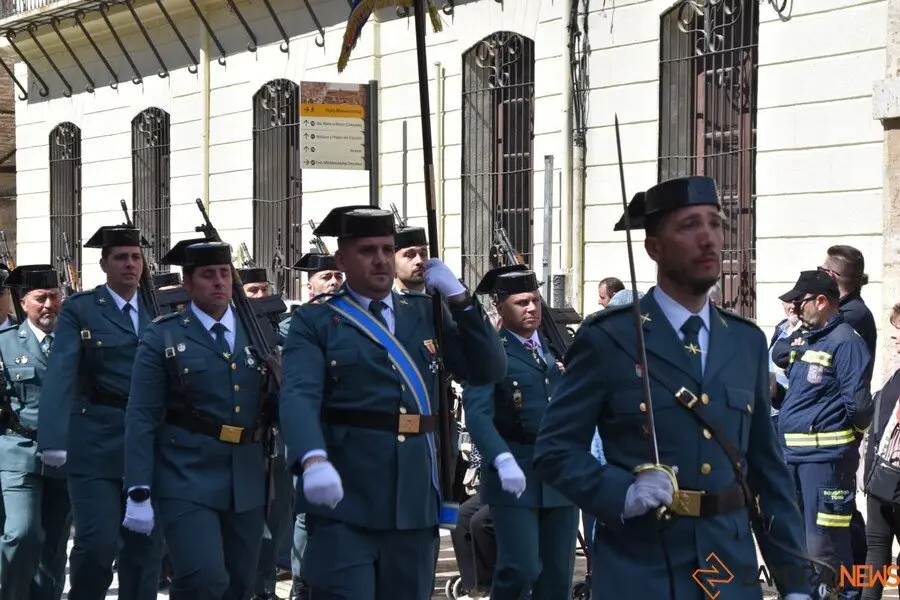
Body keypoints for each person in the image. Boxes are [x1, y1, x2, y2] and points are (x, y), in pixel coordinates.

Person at [533, 175, 813, 599]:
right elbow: (555, 451)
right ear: (654, 248)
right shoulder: (609, 339)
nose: (708, 239)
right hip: (642, 569)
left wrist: (795, 582)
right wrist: (620, 492)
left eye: (715, 224)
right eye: (689, 226)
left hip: (728, 570)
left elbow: (767, 472)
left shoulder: (746, 341)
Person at [278, 206, 507, 600]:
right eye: (368, 250)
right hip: (345, 498)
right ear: (342, 260)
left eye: (387, 248)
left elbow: (487, 370)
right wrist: (312, 458)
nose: (381, 259)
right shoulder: (315, 322)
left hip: (413, 501)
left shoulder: (424, 313)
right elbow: (298, 395)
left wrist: (461, 301)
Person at [123, 240, 275, 600]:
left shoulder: (261, 331)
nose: (219, 282)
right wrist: (138, 488)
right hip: (186, 474)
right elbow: (142, 415)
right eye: (208, 275)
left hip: (248, 475)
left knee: (239, 584)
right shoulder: (164, 334)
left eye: (225, 274)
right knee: (203, 579)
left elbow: (283, 399)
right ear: (188, 284)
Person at [37, 225, 163, 600]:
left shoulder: (161, 307)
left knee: (145, 549)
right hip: (95, 440)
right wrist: (53, 438)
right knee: (97, 543)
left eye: (136, 257)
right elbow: (61, 373)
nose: (130, 264)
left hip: (150, 442)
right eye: (121, 258)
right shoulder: (82, 308)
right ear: (104, 263)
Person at [462, 264, 577, 600]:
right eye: (521, 302)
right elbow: (479, 416)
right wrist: (501, 459)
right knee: (521, 567)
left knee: (558, 576)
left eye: (535, 301)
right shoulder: (490, 353)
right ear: (499, 307)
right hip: (516, 473)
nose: (531, 308)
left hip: (560, 474)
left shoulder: (557, 348)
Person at [777, 269, 872, 597]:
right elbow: (804, 396)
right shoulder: (810, 339)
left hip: (827, 465)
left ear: (821, 301)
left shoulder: (846, 342)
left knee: (827, 548)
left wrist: (852, 437)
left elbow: (859, 406)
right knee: (802, 547)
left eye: (800, 303)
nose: (794, 309)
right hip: (797, 460)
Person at [0, 266, 72, 600]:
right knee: (22, 533)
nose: (49, 305)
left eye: (54, 297)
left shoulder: (77, 341)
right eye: (40, 298)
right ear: (23, 302)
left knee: (55, 546)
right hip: (18, 451)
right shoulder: (5, 344)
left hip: (67, 456)